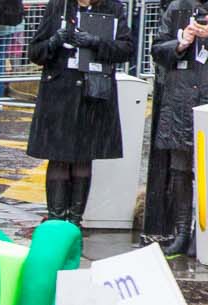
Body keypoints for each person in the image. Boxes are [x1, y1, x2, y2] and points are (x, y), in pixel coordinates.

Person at [25, 0, 133, 224]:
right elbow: (35, 52)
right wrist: (55, 40)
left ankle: (75, 221)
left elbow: (126, 49)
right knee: (58, 157)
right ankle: (56, 221)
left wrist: (96, 42)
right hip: (59, 92)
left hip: (93, 94)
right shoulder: (58, 6)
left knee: (84, 158)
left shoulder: (113, 8)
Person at [147, 1, 208, 254]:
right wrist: (181, 41)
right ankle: (183, 231)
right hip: (180, 99)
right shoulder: (178, 7)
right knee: (180, 169)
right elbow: (158, 50)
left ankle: (202, 234)